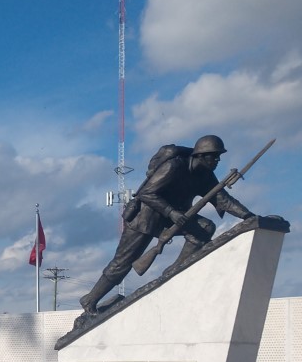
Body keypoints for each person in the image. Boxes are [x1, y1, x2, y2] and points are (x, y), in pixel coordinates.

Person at [80, 134, 254, 314]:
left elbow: (223, 200)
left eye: (219, 156)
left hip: (175, 217)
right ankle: (90, 300)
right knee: (122, 263)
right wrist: (171, 212)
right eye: (214, 155)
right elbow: (147, 193)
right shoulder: (174, 166)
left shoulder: (205, 176)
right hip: (145, 219)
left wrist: (249, 216)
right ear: (200, 155)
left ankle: (173, 272)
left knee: (205, 228)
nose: (217, 160)